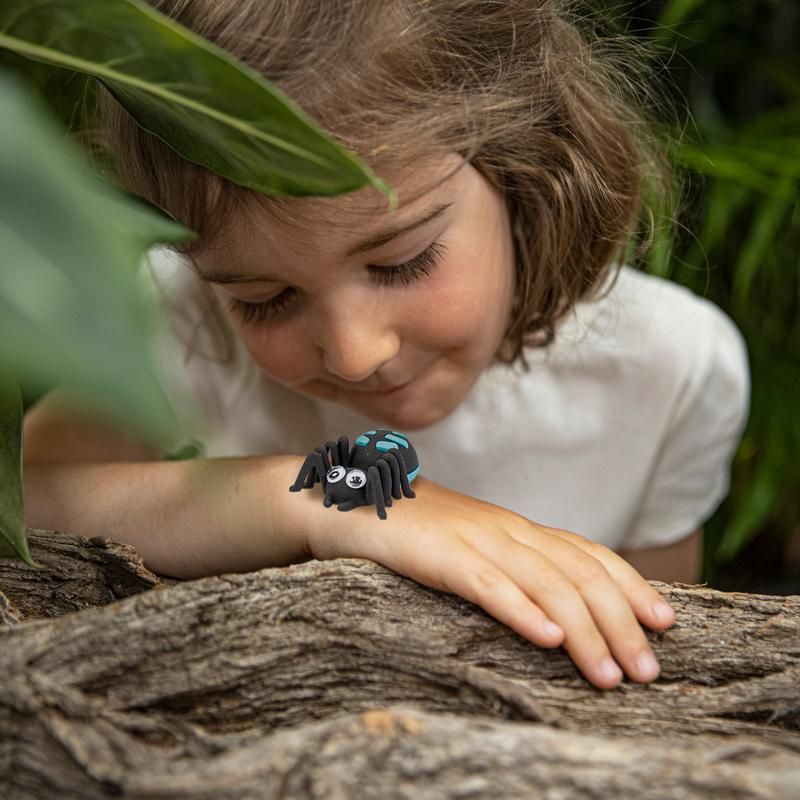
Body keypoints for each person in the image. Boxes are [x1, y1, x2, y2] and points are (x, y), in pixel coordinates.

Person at [22, 0, 749, 691]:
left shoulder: (673, 366)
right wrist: (317, 495)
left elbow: (658, 648)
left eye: (402, 261)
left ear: (524, 158)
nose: (355, 354)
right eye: (263, 300)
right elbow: (23, 500)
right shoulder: (170, 316)